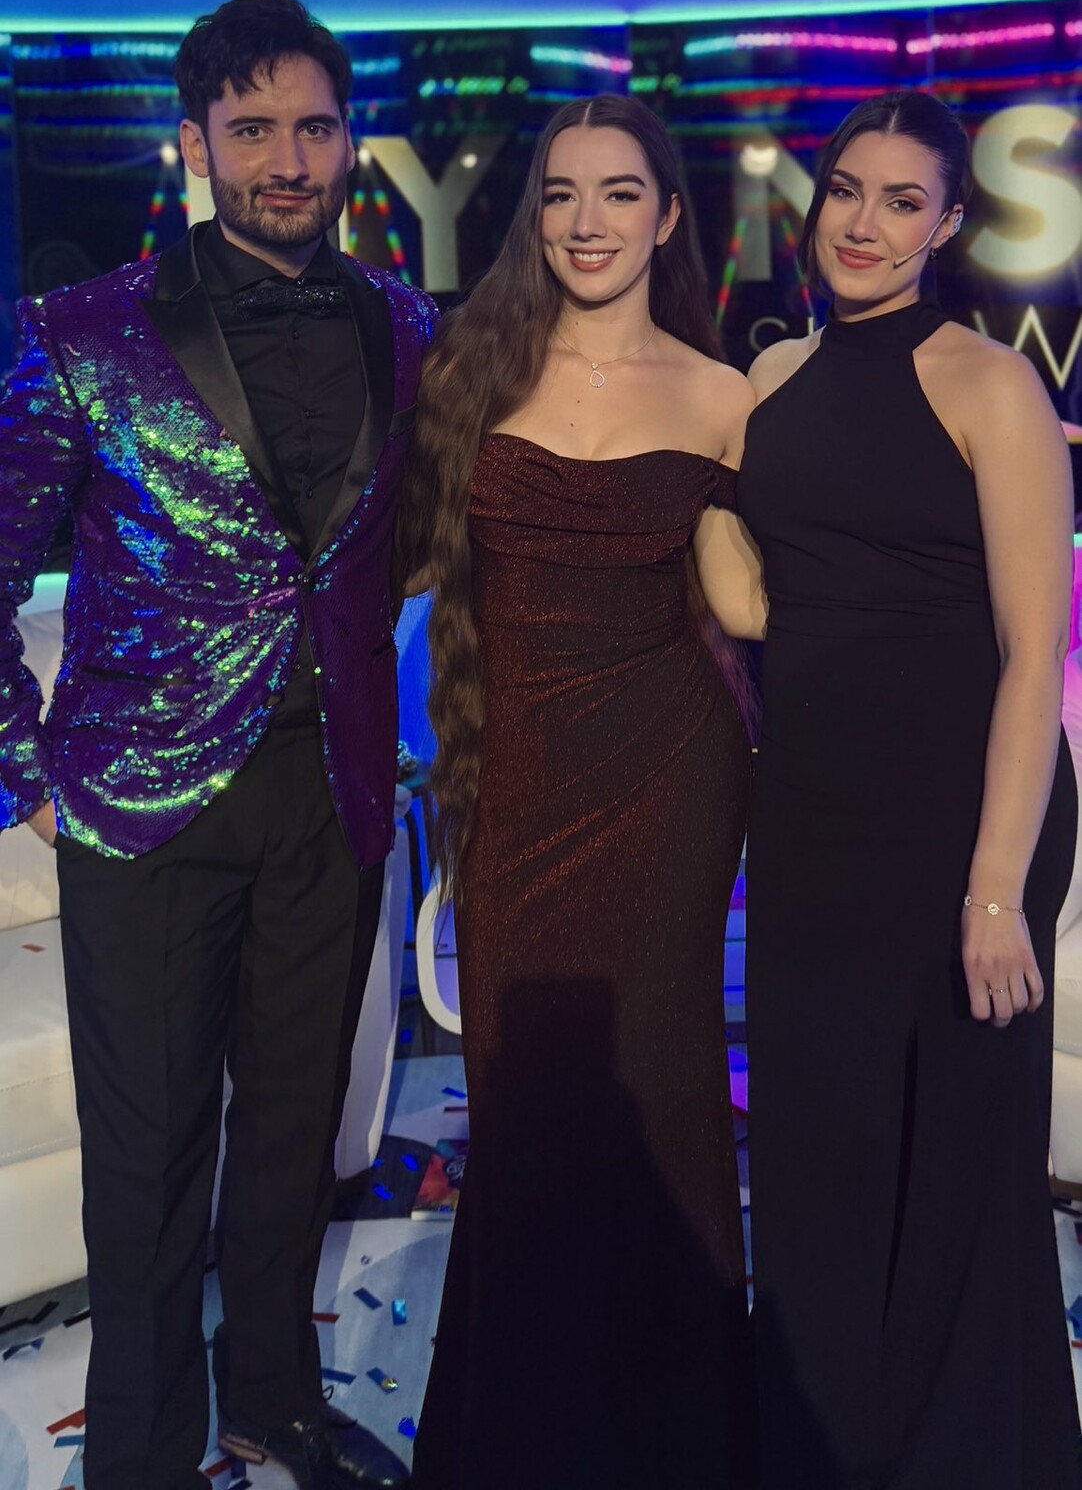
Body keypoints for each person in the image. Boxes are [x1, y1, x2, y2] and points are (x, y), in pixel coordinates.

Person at [0, 0, 436, 1490]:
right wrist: (27, 775)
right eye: (253, 131)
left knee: (295, 1132)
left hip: (333, 795)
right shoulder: (79, 333)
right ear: (194, 144)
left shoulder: (406, 326)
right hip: (142, 809)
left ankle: (275, 1401)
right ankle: (137, 1453)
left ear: (350, 140)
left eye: (313, 128)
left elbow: (403, 545)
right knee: (148, 1159)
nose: (287, 160)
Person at [396, 94, 765, 1490]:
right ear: (533, 217)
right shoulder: (471, 371)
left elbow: (752, 602)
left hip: (670, 779)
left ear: (667, 218)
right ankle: (524, 1441)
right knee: (527, 1106)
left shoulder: (726, 397)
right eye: (560, 194)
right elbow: (390, 563)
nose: (587, 221)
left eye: (619, 194)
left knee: (659, 1090)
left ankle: (672, 1442)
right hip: (516, 786)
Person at [736, 90, 1081, 1487]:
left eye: (900, 202)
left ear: (946, 225)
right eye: (845, 191)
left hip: (967, 820)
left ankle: (963, 1458)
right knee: (817, 1154)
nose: (863, 225)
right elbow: (751, 607)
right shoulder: (769, 379)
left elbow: (1032, 654)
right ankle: (825, 1451)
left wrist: (993, 889)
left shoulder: (991, 385)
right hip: (812, 816)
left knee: (955, 1176)